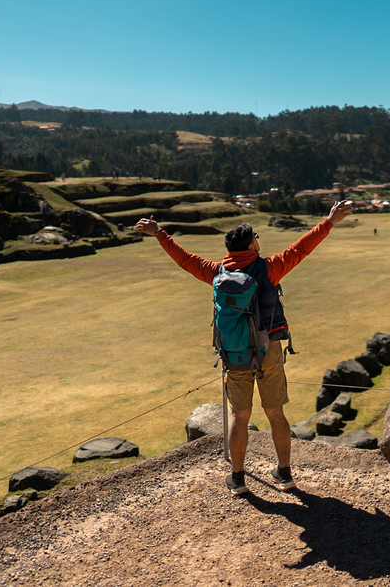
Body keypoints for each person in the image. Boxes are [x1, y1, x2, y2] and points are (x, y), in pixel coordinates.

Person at [135, 200, 354, 496]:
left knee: (240, 416)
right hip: (269, 350)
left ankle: (237, 479)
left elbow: (185, 259)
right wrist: (328, 221)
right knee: (275, 412)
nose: (259, 242)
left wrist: (160, 233)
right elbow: (301, 248)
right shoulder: (269, 268)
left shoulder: (216, 273)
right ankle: (285, 475)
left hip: (234, 354)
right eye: (257, 238)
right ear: (251, 246)